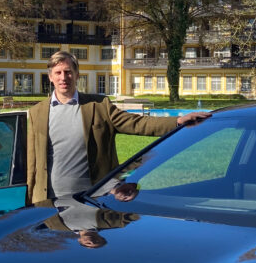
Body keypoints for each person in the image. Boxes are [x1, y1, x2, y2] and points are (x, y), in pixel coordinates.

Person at [26, 51, 209, 205]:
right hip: (49, 201)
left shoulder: (99, 106)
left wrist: (177, 121)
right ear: (50, 77)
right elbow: (32, 161)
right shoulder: (37, 112)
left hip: (93, 198)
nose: (63, 77)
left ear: (77, 74)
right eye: (58, 73)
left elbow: (137, 123)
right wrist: (29, 198)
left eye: (68, 72)